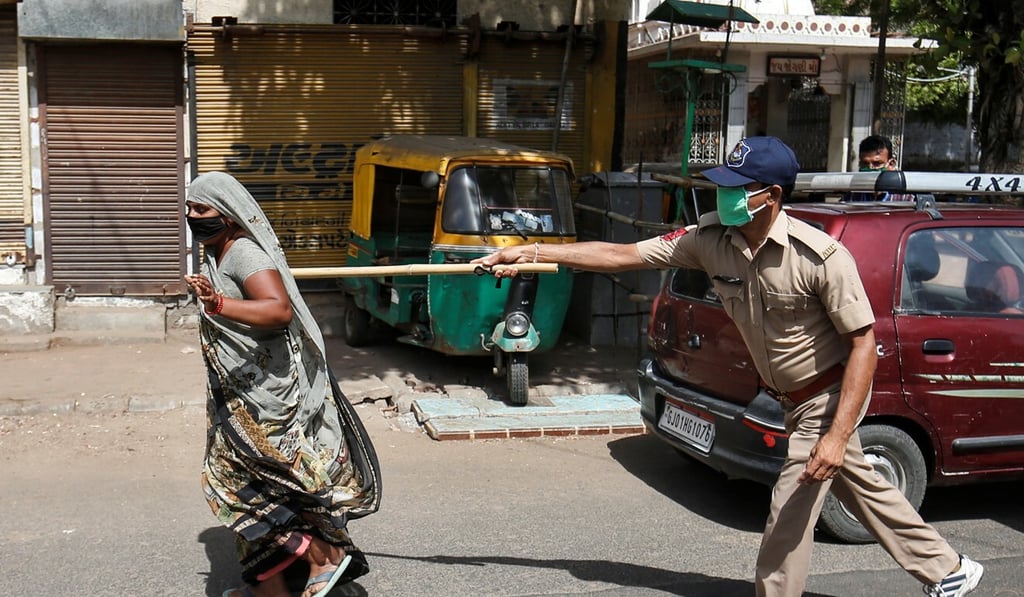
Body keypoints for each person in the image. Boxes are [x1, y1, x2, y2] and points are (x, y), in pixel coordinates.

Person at [474, 137, 984, 597]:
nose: (724, 197)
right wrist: (533, 251)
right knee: (865, 486)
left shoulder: (821, 258)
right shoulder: (710, 240)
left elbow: (864, 347)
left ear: (772, 196)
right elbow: (624, 253)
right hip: (787, 397)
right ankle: (948, 568)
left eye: (739, 188)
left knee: (790, 508)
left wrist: (834, 434)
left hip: (826, 397)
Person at [183, 172, 382, 597]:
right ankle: (270, 591)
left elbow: (277, 311)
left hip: (265, 400)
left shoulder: (243, 254)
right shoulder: (216, 254)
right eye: (189, 208)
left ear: (230, 215)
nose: (192, 217)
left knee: (232, 486)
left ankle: (321, 556)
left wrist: (218, 302)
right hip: (237, 393)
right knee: (254, 489)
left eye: (201, 209)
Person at [845, 135, 913, 201]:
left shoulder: (906, 199)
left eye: (877, 163)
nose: (870, 168)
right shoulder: (852, 196)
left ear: (891, 164)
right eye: (865, 163)